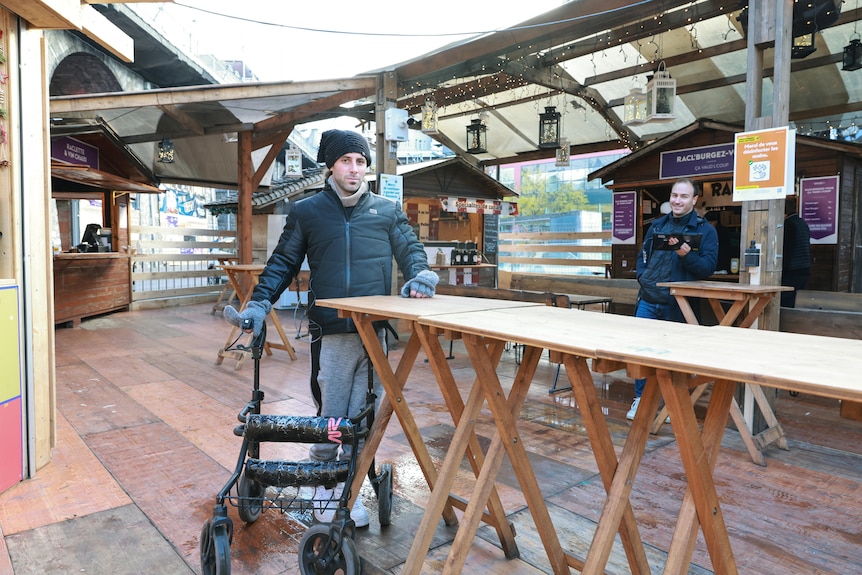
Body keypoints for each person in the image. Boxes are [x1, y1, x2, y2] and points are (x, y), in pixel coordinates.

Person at [225, 129, 439, 527]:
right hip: (333, 332)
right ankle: (320, 480)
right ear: (331, 166)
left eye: (360, 161)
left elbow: (411, 250)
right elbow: (282, 263)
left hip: (375, 334)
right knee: (333, 411)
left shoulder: (387, 210)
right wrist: (258, 303)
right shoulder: (308, 212)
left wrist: (421, 276)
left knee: (363, 416)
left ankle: (349, 487)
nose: (354, 169)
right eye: (346, 161)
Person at [627, 178, 718, 421]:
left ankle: (669, 405)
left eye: (684, 196)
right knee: (641, 352)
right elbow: (643, 255)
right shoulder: (656, 225)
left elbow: (707, 268)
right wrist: (642, 275)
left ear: (695, 200)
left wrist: (687, 256)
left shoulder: (705, 230)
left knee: (673, 355)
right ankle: (641, 399)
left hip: (678, 303)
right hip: (648, 298)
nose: (677, 200)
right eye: (675, 195)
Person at [781, 198, 811, 308]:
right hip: (804, 267)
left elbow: (787, 249)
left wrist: (781, 270)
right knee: (795, 300)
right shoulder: (802, 223)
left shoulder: (789, 224)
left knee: (785, 301)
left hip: (792, 270)